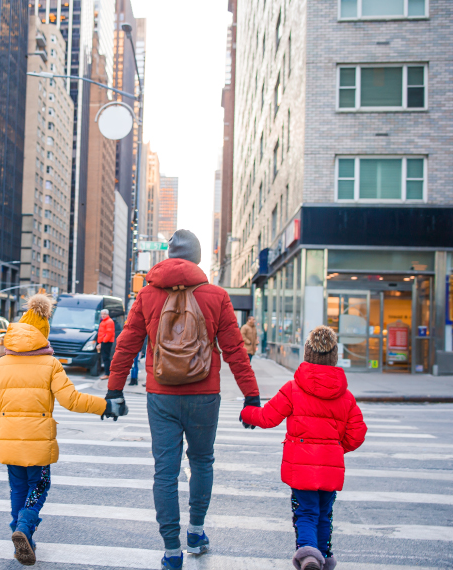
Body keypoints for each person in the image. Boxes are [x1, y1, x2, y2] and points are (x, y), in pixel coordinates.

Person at [106, 229, 260, 570]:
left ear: (170, 257)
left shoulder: (147, 296)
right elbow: (235, 350)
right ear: (197, 259)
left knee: (165, 471)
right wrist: (251, 396)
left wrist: (114, 390)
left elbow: (127, 345)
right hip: (205, 394)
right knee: (202, 462)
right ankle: (196, 532)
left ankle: (171, 550)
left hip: (160, 395)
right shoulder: (217, 296)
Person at [0, 294, 118, 566]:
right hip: (38, 444)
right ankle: (25, 526)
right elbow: (72, 400)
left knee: (17, 489)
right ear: (43, 335)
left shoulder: (1, 365)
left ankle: (23, 538)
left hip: (7, 443)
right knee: (40, 485)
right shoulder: (50, 364)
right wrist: (105, 406)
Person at [241, 326, 367, 570]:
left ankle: (308, 555)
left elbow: (268, 417)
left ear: (307, 354)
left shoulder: (293, 389)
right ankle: (323, 554)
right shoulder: (346, 396)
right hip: (330, 469)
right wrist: (336, 449)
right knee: (324, 514)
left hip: (302, 469)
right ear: (334, 356)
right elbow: (357, 434)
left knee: (306, 513)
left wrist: (247, 413)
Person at [96, 308, 116, 379]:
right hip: (104, 342)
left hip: (107, 342)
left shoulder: (109, 321)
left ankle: (107, 373)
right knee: (105, 358)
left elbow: (108, 334)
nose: (103, 315)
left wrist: (102, 342)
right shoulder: (104, 321)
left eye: (104, 314)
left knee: (106, 358)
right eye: (102, 314)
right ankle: (107, 373)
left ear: (107, 314)